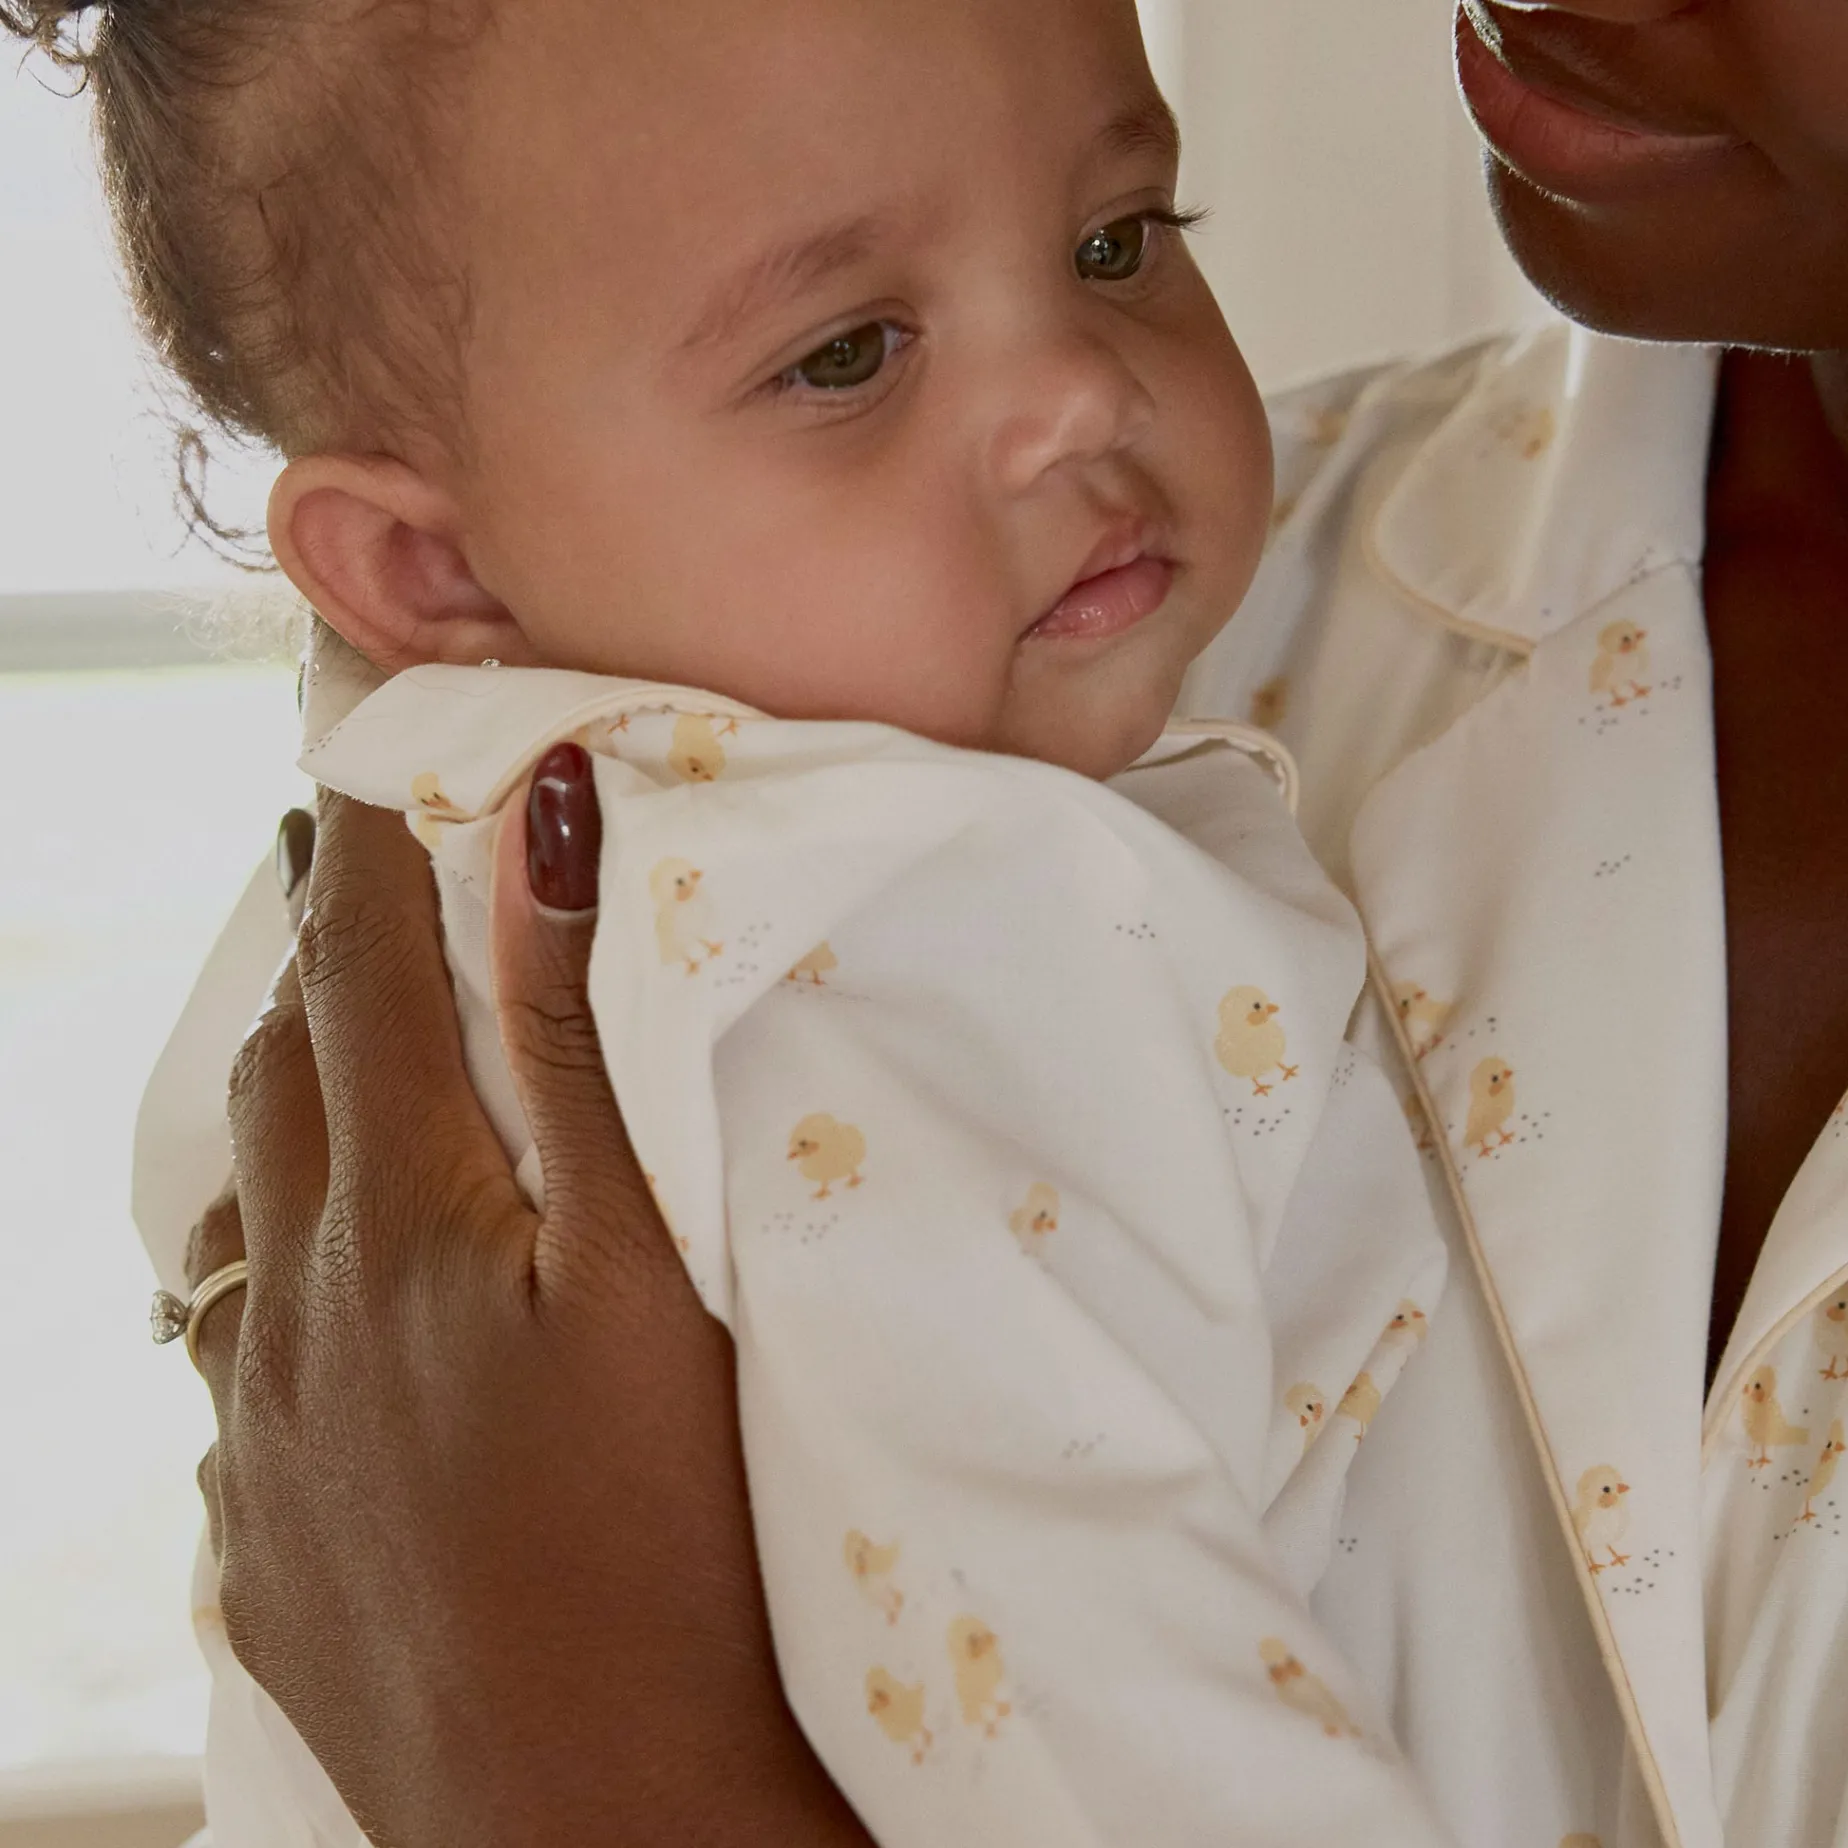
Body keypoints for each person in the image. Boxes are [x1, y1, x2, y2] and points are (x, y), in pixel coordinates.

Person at [116, 0, 1848, 1846]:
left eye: (1116, 242)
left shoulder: (919, 732)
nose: (1083, 394)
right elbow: (1112, 1741)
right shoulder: (835, 943)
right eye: (845, 354)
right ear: (426, 568)